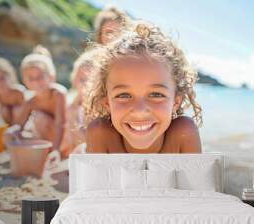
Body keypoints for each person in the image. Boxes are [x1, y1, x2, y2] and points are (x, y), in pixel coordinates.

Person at [85, 21, 203, 153]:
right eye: (123, 95)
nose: (139, 111)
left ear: (176, 102)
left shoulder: (183, 133)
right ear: (107, 103)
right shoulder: (100, 133)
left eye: (156, 94)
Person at [11, 45, 67, 151]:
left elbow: (61, 124)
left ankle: (51, 150)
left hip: (64, 139)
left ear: (51, 76)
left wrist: (56, 150)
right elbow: (19, 125)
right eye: (31, 78)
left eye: (40, 77)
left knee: (39, 118)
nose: (36, 81)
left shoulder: (58, 94)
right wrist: (12, 131)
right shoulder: (31, 101)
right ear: (24, 80)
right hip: (48, 138)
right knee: (12, 133)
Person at [59, 50, 98, 158]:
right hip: (76, 153)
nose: (87, 85)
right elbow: (67, 139)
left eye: (91, 80)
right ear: (75, 80)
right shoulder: (72, 104)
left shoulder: (100, 106)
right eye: (82, 80)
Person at [0, 57, 25, 126]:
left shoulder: (19, 92)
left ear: (10, 77)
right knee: (4, 109)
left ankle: (17, 130)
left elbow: (30, 111)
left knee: (16, 110)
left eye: (2, 78)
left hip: (24, 123)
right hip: (9, 126)